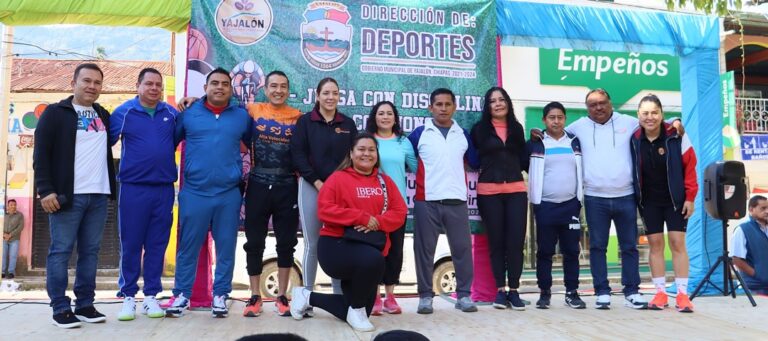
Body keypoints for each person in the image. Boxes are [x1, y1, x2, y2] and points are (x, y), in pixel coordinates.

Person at [532, 89, 682, 309]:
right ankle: (602, 291)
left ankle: (632, 291)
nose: (598, 107)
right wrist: (537, 132)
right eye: (592, 104)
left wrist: (675, 121)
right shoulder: (578, 127)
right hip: (594, 198)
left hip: (626, 196)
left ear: (610, 103)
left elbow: (654, 122)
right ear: (586, 108)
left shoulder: (629, 122)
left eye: (602, 103)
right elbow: (555, 133)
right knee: (598, 247)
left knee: (629, 246)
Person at [289, 133, 407, 332]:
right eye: (361, 149)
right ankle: (355, 309)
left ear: (377, 155)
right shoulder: (337, 178)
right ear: (351, 154)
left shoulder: (385, 181)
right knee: (374, 261)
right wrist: (360, 217)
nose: (366, 154)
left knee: (360, 308)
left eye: (371, 150)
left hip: (369, 247)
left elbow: (400, 212)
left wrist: (376, 222)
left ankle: (306, 296)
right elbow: (324, 210)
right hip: (336, 246)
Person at [33, 63, 117, 328]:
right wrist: (45, 190)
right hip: (67, 196)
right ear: (73, 83)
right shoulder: (55, 113)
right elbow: (41, 155)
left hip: (98, 194)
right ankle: (60, 307)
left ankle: (85, 304)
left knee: (90, 252)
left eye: (97, 82)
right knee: (60, 251)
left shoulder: (103, 114)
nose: (92, 86)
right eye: (87, 81)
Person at [166, 68, 252, 318]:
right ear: (205, 87)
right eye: (214, 83)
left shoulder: (241, 116)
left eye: (225, 84)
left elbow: (249, 143)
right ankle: (181, 294)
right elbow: (170, 141)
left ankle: (220, 295)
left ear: (231, 89)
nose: (220, 87)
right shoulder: (189, 113)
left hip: (228, 194)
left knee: (226, 248)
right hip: (195, 193)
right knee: (188, 248)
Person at [109, 68, 178, 321]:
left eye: (158, 85)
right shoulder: (123, 113)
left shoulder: (171, 114)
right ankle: (128, 296)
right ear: (138, 86)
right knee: (131, 244)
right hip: (132, 188)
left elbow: (185, 136)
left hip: (163, 189)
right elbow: (102, 144)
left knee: (157, 245)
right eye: (148, 84)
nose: (154, 88)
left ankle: (151, 296)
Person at [408, 88, 478, 314]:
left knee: (462, 250)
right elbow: (403, 157)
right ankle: (425, 297)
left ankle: (464, 295)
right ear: (430, 107)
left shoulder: (463, 134)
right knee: (424, 250)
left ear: (454, 107)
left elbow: (475, 161)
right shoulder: (419, 133)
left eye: (448, 104)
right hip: (426, 199)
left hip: (456, 199)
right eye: (438, 104)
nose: (443, 108)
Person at [290, 77, 358, 303]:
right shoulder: (305, 122)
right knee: (313, 243)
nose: (331, 97)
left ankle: (339, 297)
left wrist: (341, 184)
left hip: (341, 191)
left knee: (339, 241)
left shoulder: (348, 124)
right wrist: (318, 183)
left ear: (339, 96)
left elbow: (354, 158)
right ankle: (307, 297)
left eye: (335, 93)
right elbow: (298, 156)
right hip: (311, 186)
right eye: (326, 93)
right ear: (317, 96)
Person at [241, 71, 302, 317]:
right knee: (254, 242)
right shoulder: (252, 109)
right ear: (265, 89)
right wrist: (192, 100)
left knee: (286, 243)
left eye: (283, 86)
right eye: (274, 86)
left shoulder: (298, 117)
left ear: (288, 90)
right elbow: (218, 104)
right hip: (257, 182)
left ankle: (282, 295)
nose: (278, 90)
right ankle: (255, 296)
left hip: (287, 184)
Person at [630, 94, 698, 313]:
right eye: (645, 113)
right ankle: (659, 293)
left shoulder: (675, 135)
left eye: (654, 113)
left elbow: (690, 167)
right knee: (655, 245)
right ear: (638, 116)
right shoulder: (633, 139)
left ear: (662, 115)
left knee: (678, 243)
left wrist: (690, 197)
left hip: (675, 201)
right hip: (649, 202)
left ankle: (682, 295)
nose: (650, 117)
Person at [469, 87, 528, 310]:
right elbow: (473, 160)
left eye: (501, 99)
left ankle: (514, 291)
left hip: (516, 191)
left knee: (515, 243)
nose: (498, 104)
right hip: (488, 193)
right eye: (492, 101)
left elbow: (523, 159)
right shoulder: (479, 129)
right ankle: (500, 292)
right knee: (496, 244)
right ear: (487, 106)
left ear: (508, 103)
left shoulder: (517, 128)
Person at [526, 102, 587, 310]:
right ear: (544, 120)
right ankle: (544, 293)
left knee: (571, 251)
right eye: (551, 117)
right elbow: (520, 162)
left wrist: (579, 200)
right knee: (545, 252)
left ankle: (572, 293)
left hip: (570, 206)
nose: (556, 121)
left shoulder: (575, 142)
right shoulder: (536, 143)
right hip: (546, 207)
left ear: (565, 119)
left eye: (560, 117)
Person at [365, 101, 417, 315]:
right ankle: (374, 296)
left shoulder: (403, 142)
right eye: (380, 113)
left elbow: (416, 167)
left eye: (389, 113)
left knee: (395, 251)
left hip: (397, 206)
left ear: (395, 118)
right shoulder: (367, 141)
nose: (385, 117)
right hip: (371, 204)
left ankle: (390, 296)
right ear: (374, 117)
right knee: (374, 250)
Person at [731, 195, 768, 295]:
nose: (767, 211)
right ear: (751, 209)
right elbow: (737, 259)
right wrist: (757, 275)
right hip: (756, 288)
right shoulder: (742, 230)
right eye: (763, 208)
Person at [2, 199, 24, 279]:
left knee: (13, 255)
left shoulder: (20, 215)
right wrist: (3, 235)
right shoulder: (3, 214)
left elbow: (20, 227)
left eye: (14, 205)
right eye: (11, 205)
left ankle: (11, 272)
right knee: (3, 255)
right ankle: (2, 272)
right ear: (8, 206)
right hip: (3, 238)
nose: (13, 206)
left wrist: (10, 235)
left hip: (15, 239)